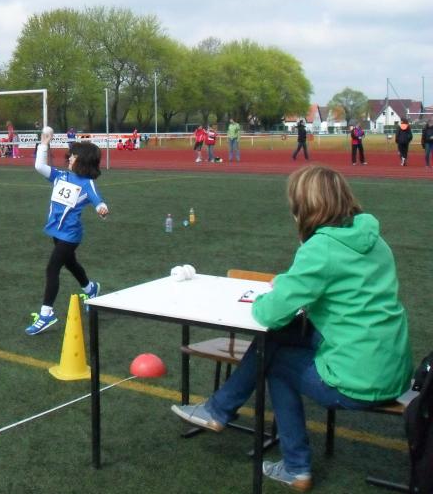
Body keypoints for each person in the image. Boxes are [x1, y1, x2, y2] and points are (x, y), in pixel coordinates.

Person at [171, 165, 412, 491]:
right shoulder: (374, 240)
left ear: (306, 206)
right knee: (280, 339)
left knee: (275, 363)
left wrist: (266, 297)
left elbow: (271, 313)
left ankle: (294, 465)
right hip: (392, 367)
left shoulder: (321, 248)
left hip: (360, 379)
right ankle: (219, 410)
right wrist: (289, 285)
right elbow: (336, 287)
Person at [26, 129, 108, 335]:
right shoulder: (61, 176)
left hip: (70, 236)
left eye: (74, 156)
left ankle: (46, 314)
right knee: (71, 263)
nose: (69, 158)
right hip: (56, 231)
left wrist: (101, 209)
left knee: (52, 269)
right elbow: (39, 166)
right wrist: (44, 143)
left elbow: (98, 200)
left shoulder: (87, 183)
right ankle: (91, 289)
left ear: (83, 161)